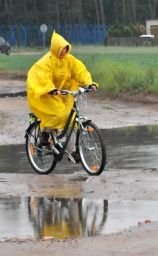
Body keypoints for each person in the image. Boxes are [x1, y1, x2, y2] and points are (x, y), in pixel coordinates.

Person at [26, 31, 98, 163]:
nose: (63, 51)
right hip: (46, 95)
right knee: (59, 114)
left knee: (72, 121)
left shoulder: (70, 60)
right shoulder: (46, 62)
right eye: (61, 48)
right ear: (55, 48)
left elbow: (80, 72)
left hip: (64, 95)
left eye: (65, 48)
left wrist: (89, 83)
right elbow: (43, 78)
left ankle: (72, 152)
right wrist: (51, 90)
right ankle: (44, 132)